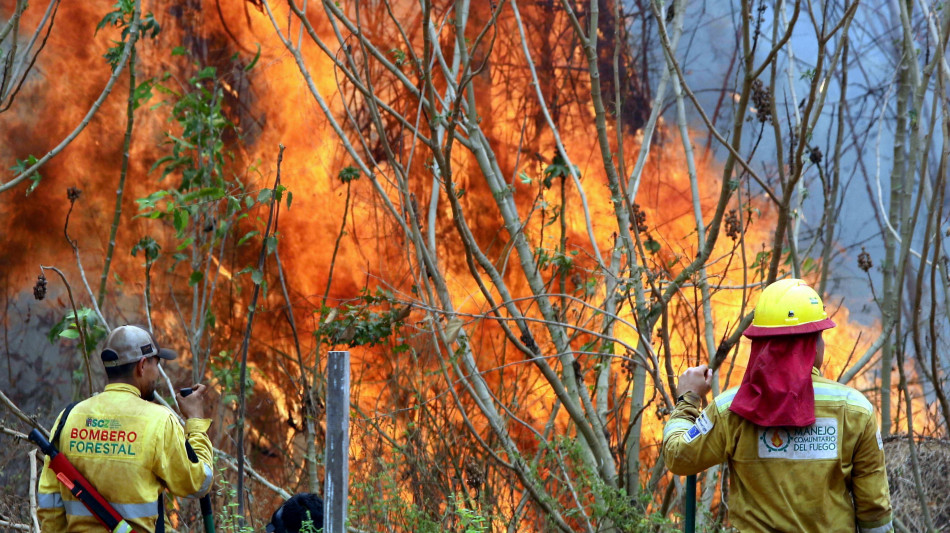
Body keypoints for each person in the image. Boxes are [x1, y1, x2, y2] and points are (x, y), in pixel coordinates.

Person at [663, 279, 892, 532]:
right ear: (815, 344)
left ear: (760, 344)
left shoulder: (731, 409)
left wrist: (688, 398)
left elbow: (678, 456)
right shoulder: (855, 409)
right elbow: (874, 509)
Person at [37, 324, 214, 532]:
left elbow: (50, 501)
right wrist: (195, 420)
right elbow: (197, 483)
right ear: (141, 366)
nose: (157, 373)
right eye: (156, 364)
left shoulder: (68, 417)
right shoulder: (159, 421)